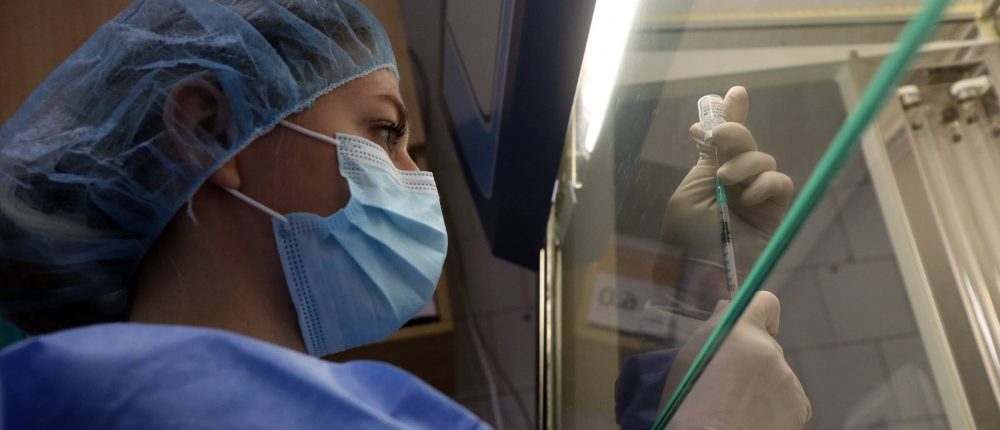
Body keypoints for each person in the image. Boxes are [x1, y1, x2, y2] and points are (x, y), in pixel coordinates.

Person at [0, 1, 808, 428]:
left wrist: (685, 288)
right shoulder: (145, 403)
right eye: (386, 132)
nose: (416, 179)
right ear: (210, 129)